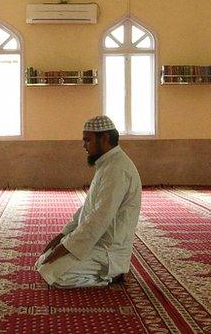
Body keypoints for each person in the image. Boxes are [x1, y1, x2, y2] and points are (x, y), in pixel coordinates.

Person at [35, 115, 142, 288]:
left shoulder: (117, 169)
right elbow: (88, 208)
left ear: (105, 138)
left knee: (55, 276)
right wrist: (62, 236)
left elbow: (98, 219)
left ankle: (111, 275)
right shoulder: (107, 164)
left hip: (109, 249)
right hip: (95, 242)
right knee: (43, 262)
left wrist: (66, 247)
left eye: (87, 140)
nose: (84, 145)